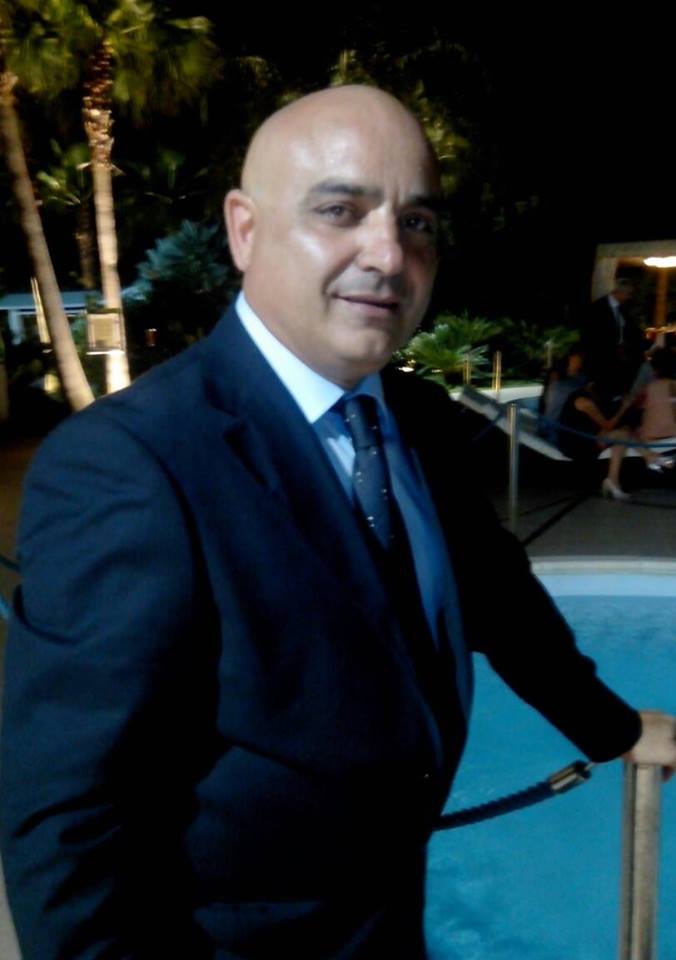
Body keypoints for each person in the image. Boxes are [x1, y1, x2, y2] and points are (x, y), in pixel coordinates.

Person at [2, 86, 675, 960]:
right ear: (245, 230)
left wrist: (615, 729)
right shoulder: (130, 464)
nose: (389, 255)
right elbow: (68, 823)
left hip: (389, 922)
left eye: (417, 222)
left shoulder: (418, 418)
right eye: (340, 211)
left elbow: (497, 595)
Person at [580, 278, 645, 396]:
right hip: (603, 360)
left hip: (620, 359)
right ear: (619, 292)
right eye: (628, 293)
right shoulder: (597, 308)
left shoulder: (623, 310)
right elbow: (591, 338)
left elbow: (631, 332)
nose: (629, 297)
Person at [635, 346, 676, 472]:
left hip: (651, 437)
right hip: (672, 435)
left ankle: (651, 458)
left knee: (630, 432)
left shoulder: (648, 388)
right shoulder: (673, 385)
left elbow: (638, 406)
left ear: (654, 368)